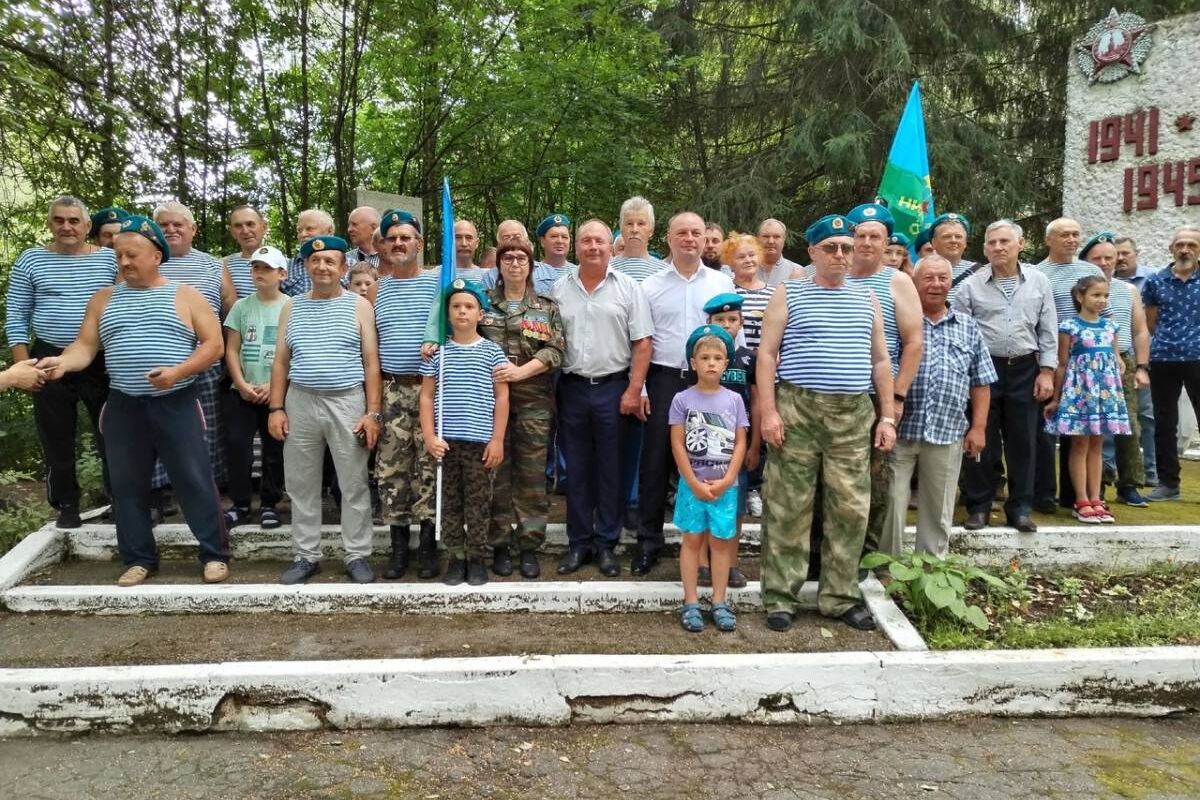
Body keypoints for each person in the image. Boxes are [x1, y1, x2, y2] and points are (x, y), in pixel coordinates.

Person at [37, 215, 229, 586]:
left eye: (132, 255)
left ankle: (214, 554)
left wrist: (179, 371)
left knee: (194, 480)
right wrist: (61, 361)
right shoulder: (103, 299)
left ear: (156, 255)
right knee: (126, 485)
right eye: (118, 255)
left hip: (176, 401)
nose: (123, 262)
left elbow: (214, 345)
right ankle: (139, 558)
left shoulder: (186, 295)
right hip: (123, 405)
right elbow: (85, 347)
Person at [757, 213, 895, 632]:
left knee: (851, 509)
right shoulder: (788, 293)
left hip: (853, 416)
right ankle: (781, 597)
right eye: (831, 248)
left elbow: (880, 359)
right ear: (813, 252)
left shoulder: (866, 297)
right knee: (788, 507)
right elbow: (766, 355)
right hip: (797, 410)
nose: (840, 255)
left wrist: (887, 415)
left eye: (846, 248)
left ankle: (838, 597)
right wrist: (768, 411)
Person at [269, 234, 382, 584]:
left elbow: (371, 362)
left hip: (347, 400)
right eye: (315, 261)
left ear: (343, 267)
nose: (322, 266)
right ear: (306, 266)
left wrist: (373, 412)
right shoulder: (291, 306)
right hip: (300, 399)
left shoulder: (359, 306)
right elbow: (281, 362)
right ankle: (306, 555)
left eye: (330, 261)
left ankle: (357, 554)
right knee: (301, 483)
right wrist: (276, 407)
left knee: (353, 481)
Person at [635, 211, 737, 576]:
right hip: (664, 380)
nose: (690, 239)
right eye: (682, 233)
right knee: (655, 463)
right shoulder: (650, 285)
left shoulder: (722, 283)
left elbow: (732, 338)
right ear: (669, 238)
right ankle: (648, 543)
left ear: (704, 237)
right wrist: (642, 386)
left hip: (709, 385)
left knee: (711, 461)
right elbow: (642, 341)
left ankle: (711, 555)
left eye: (696, 232)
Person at [6, 195, 117, 528]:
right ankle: (67, 505)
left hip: (100, 358)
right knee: (55, 435)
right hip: (46, 356)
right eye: (59, 220)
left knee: (113, 432)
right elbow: (16, 316)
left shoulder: (110, 260)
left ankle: (121, 500)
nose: (66, 227)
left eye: (73, 221)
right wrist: (22, 368)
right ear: (50, 223)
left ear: (87, 226)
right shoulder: (30, 260)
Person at [551, 219, 653, 575]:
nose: (593, 247)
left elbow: (643, 343)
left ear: (612, 247)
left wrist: (634, 389)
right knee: (576, 470)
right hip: (573, 387)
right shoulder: (559, 289)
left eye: (600, 241)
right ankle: (578, 543)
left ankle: (607, 543)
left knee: (612, 469)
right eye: (586, 241)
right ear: (577, 247)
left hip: (614, 388)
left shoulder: (628, 288)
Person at [881, 256, 994, 558]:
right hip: (899, 431)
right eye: (928, 278)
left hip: (947, 430)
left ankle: (929, 572)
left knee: (939, 507)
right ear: (914, 283)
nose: (936, 284)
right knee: (891, 502)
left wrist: (979, 428)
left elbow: (981, 382)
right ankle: (885, 569)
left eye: (943, 278)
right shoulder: (898, 322)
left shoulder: (968, 327)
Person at [953, 220, 1058, 532]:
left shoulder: (1039, 281)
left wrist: (1047, 372)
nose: (998, 248)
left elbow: (1047, 330)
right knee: (980, 440)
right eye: (992, 243)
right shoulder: (970, 286)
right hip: (983, 372)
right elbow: (960, 334)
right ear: (984, 248)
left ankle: (1021, 508)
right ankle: (979, 507)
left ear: (1020, 244)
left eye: (1004, 242)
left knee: (1024, 441)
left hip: (1025, 368)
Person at [844, 202, 923, 561]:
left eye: (875, 236)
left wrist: (897, 397)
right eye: (859, 235)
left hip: (879, 395)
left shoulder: (898, 281)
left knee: (873, 478)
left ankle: (867, 557)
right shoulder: (830, 273)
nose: (866, 242)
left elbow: (914, 342)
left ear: (886, 241)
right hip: (836, 392)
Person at [482, 239, 565, 579]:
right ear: (498, 266)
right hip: (487, 404)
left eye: (521, 258)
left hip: (533, 402)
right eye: (508, 258)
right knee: (495, 474)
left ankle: (529, 546)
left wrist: (521, 372)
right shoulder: (481, 303)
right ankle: (500, 544)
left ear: (531, 266)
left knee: (531, 477)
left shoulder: (546, 307)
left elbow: (556, 350)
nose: (515, 263)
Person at [420, 280, 509, 586]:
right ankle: (456, 558)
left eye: (469, 306)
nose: (462, 312)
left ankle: (477, 558)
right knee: (450, 505)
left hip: (479, 443)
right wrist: (430, 437)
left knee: (479, 504)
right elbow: (426, 397)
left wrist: (497, 439)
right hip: (447, 443)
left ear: (480, 315)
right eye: (456, 306)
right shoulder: (439, 354)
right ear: (447, 313)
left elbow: (502, 398)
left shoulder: (492, 353)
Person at [373, 210, 440, 580]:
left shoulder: (440, 284)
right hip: (392, 390)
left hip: (433, 389)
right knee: (393, 469)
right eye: (392, 238)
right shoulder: (375, 290)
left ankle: (428, 546)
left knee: (430, 466)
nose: (399, 243)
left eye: (406, 237)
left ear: (419, 243)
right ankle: (399, 547)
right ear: (383, 245)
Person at [673, 324, 748, 633]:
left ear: (726, 364)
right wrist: (691, 481)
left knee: (720, 543)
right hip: (692, 485)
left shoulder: (734, 400)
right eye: (704, 358)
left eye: (718, 357)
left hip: (724, 488)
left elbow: (741, 440)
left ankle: (719, 601)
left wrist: (729, 478)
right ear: (693, 363)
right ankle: (690, 601)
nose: (711, 363)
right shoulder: (681, 399)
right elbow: (677, 442)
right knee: (691, 541)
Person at [154, 201, 233, 492]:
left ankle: (208, 485)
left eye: (178, 224)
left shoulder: (214, 264)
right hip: (161, 362)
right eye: (164, 225)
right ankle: (164, 489)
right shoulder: (148, 262)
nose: (172, 230)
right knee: (161, 426)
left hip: (207, 359)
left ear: (192, 229)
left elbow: (230, 308)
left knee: (208, 427)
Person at [1031, 217, 1105, 512]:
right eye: (1065, 235)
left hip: (1089, 361)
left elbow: (1105, 313)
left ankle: (1077, 496)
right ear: (1049, 239)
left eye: (1076, 234)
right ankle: (1045, 492)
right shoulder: (1037, 272)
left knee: (1081, 431)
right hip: (1052, 357)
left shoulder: (1092, 271)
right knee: (1048, 427)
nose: (1072, 240)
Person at [1044, 275, 1131, 523]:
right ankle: (1080, 499)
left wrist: (1119, 365)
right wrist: (1056, 398)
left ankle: (1096, 498)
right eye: (1095, 295)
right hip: (1080, 393)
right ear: (1080, 297)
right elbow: (1062, 364)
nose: (1101, 300)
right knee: (1080, 445)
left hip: (1104, 394)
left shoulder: (1111, 327)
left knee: (1098, 445)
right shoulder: (1069, 327)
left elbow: (1116, 358)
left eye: (1105, 296)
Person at [222, 245, 289, 529]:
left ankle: (270, 504)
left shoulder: (292, 306)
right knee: (238, 446)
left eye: (267, 268)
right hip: (243, 392)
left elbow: (292, 355)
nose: (259, 273)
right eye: (255, 267)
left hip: (276, 393)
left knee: (275, 448)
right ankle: (239, 504)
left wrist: (272, 388)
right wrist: (241, 383)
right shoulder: (241, 306)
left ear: (282, 273)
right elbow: (232, 350)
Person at [1082, 233, 1150, 507]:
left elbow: (1141, 330)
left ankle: (1130, 484)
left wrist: (1142, 367)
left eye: (1109, 258)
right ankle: (1094, 485)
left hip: (1122, 360)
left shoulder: (1128, 290)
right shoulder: (1080, 290)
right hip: (1086, 361)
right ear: (1087, 261)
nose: (1104, 263)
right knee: (1091, 427)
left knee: (1129, 424)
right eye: (1097, 258)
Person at [697, 293, 756, 587]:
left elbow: (756, 403)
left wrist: (755, 444)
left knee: (733, 507)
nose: (727, 325)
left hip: (738, 446)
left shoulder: (748, 359)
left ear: (741, 323)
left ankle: (730, 563)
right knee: (705, 503)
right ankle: (704, 564)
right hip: (704, 449)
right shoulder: (700, 359)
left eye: (733, 320)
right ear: (709, 322)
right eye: (720, 320)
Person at [1141, 225, 1200, 502]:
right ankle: (1168, 483)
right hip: (1163, 358)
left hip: (1199, 358)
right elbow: (1150, 322)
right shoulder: (1155, 281)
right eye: (1180, 245)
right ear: (1171, 248)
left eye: (1191, 245)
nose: (1185, 249)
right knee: (1164, 422)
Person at [1113, 234, 1157, 486]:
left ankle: (1150, 470)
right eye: (1113, 254)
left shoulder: (1151, 279)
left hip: (1138, 359)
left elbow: (1146, 326)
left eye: (1124, 254)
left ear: (1135, 253)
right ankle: (1111, 471)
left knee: (1145, 416)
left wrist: (1144, 364)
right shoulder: (1097, 283)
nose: (1118, 259)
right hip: (1108, 359)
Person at [725, 234, 773, 349]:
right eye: (741, 257)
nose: (748, 260)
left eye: (752, 255)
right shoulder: (727, 291)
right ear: (731, 263)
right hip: (735, 361)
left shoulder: (775, 293)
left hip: (767, 361)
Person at [610, 196, 669, 283]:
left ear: (651, 231)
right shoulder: (607, 270)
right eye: (629, 223)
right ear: (621, 229)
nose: (635, 229)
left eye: (641, 224)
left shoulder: (665, 272)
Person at [281, 209, 337, 296]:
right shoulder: (286, 267)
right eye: (299, 230)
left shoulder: (349, 264)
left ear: (329, 231)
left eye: (309, 229)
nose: (303, 234)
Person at [222, 205, 270, 304]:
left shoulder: (282, 263)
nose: (245, 231)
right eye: (238, 226)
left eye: (250, 224)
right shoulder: (222, 265)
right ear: (232, 232)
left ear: (264, 227)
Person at [758, 218, 804, 287]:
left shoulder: (796, 271)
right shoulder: (745, 269)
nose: (771, 241)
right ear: (758, 238)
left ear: (784, 239)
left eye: (776, 237)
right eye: (766, 236)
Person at [535, 213, 576, 279]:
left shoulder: (579, 274)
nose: (560, 241)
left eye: (564, 237)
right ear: (542, 241)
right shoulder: (532, 273)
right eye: (554, 236)